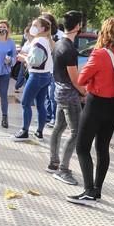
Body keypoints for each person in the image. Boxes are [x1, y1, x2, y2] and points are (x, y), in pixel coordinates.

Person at [67, 17, 114, 205]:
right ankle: (97, 189)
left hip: (96, 104)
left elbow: (81, 80)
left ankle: (88, 190)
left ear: (104, 33)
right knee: (102, 147)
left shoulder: (100, 54)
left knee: (82, 147)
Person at [48, 11, 87, 186]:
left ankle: (53, 162)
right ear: (78, 26)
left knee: (59, 127)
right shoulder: (69, 49)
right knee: (76, 132)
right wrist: (85, 93)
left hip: (59, 92)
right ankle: (63, 170)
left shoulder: (58, 44)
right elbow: (74, 79)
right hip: (70, 96)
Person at [13, 17, 54, 142]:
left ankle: (24, 131)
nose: (32, 27)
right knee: (40, 104)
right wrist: (26, 56)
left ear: (42, 28)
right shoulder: (46, 40)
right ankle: (39, 132)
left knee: (25, 103)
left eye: (35, 25)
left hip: (37, 75)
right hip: (46, 75)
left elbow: (35, 62)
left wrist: (23, 58)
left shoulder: (38, 42)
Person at [41, 12, 61, 127]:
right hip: (45, 69)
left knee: (52, 95)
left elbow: (56, 51)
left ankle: (54, 118)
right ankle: (47, 116)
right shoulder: (41, 36)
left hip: (55, 69)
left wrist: (49, 37)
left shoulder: (59, 35)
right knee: (46, 95)